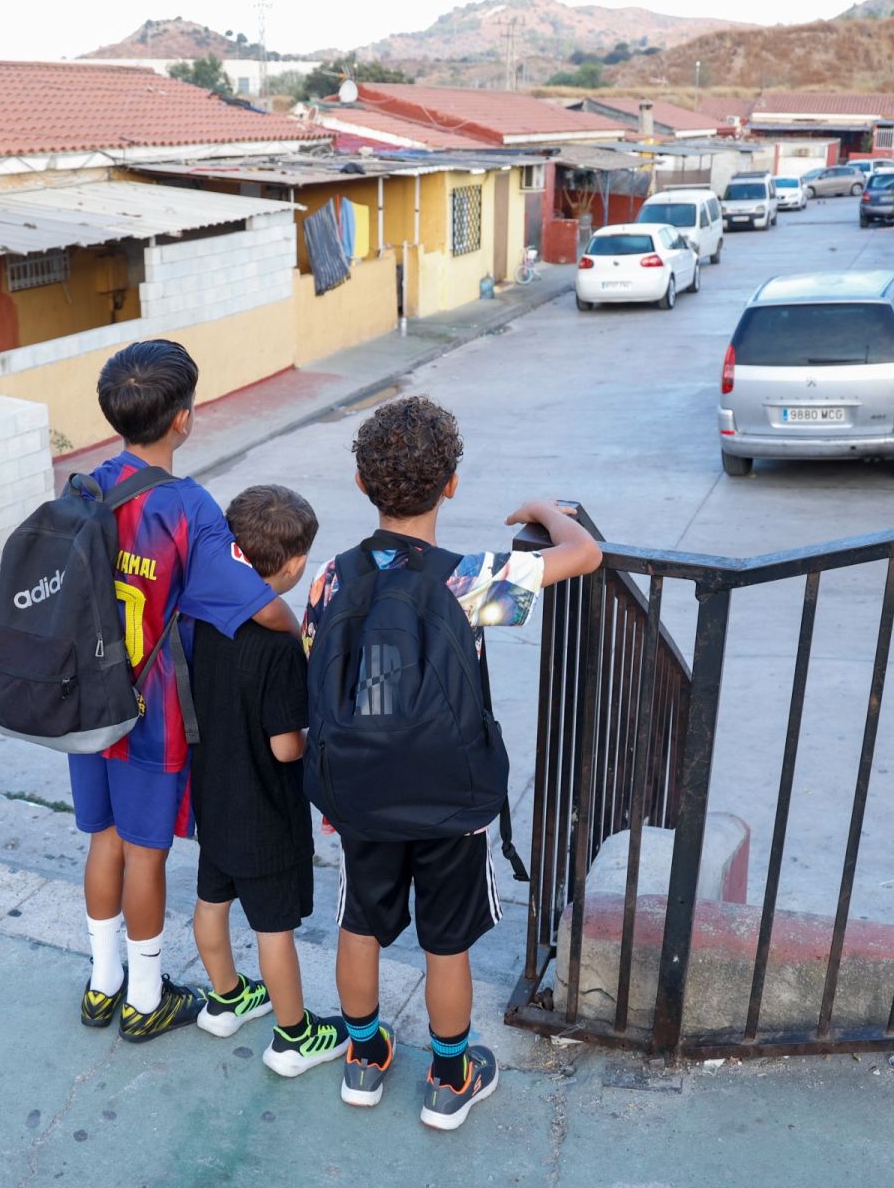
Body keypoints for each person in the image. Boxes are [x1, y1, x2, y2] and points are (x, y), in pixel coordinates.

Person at [303, 395, 602, 1130]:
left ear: (362, 486)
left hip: (360, 793)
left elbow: (332, 672)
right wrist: (545, 510)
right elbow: (587, 554)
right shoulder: (466, 579)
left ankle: (365, 1058)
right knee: (447, 940)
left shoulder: (328, 581)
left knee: (359, 920)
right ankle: (449, 1074)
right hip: (446, 795)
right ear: (453, 485)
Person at [72, 340, 299, 1043]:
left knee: (103, 839)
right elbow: (255, 602)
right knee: (146, 850)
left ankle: (102, 984)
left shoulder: (83, 487)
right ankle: (145, 998)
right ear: (182, 420)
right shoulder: (187, 507)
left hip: (84, 702)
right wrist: (296, 630)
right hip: (150, 710)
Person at [188, 484, 352, 1076]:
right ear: (297, 564)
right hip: (264, 811)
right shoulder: (279, 650)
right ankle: (293, 1036)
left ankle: (226, 997)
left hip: (214, 796)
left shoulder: (206, 617)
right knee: (273, 926)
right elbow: (286, 747)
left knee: (212, 899)